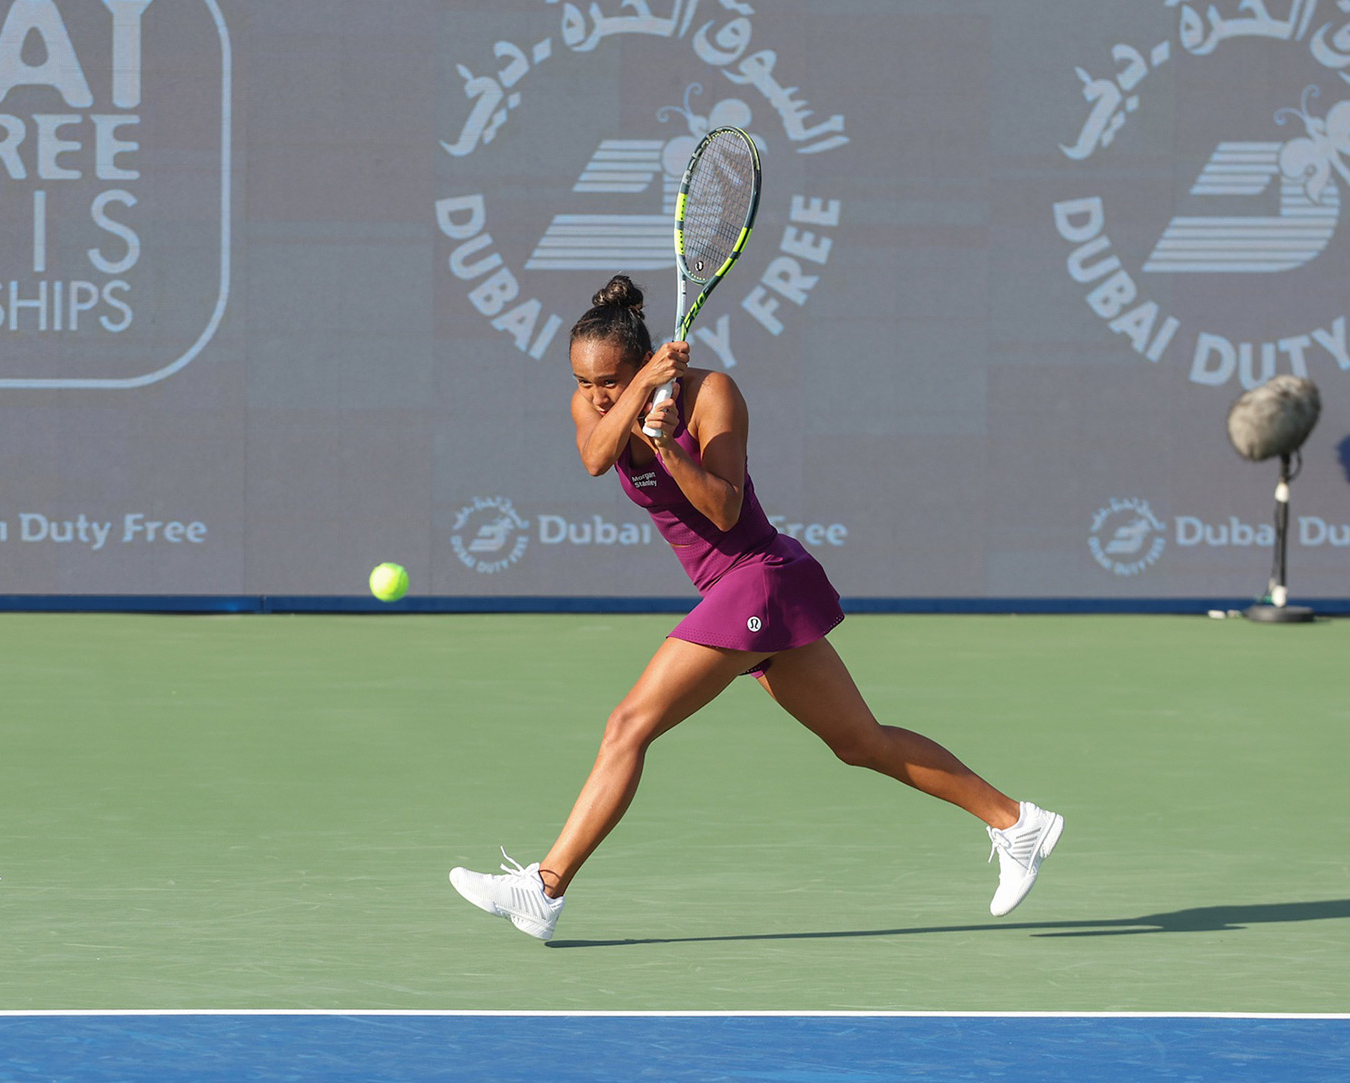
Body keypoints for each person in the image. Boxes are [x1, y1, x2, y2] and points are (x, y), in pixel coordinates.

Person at [448, 275, 1063, 941]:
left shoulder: (713, 394)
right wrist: (633, 405)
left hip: (760, 576)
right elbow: (597, 459)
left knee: (628, 724)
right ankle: (1016, 821)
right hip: (734, 592)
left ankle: (545, 886)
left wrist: (663, 444)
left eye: (609, 379)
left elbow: (725, 508)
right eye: (585, 382)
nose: (595, 394)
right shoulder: (595, 407)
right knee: (860, 742)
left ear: (646, 358)